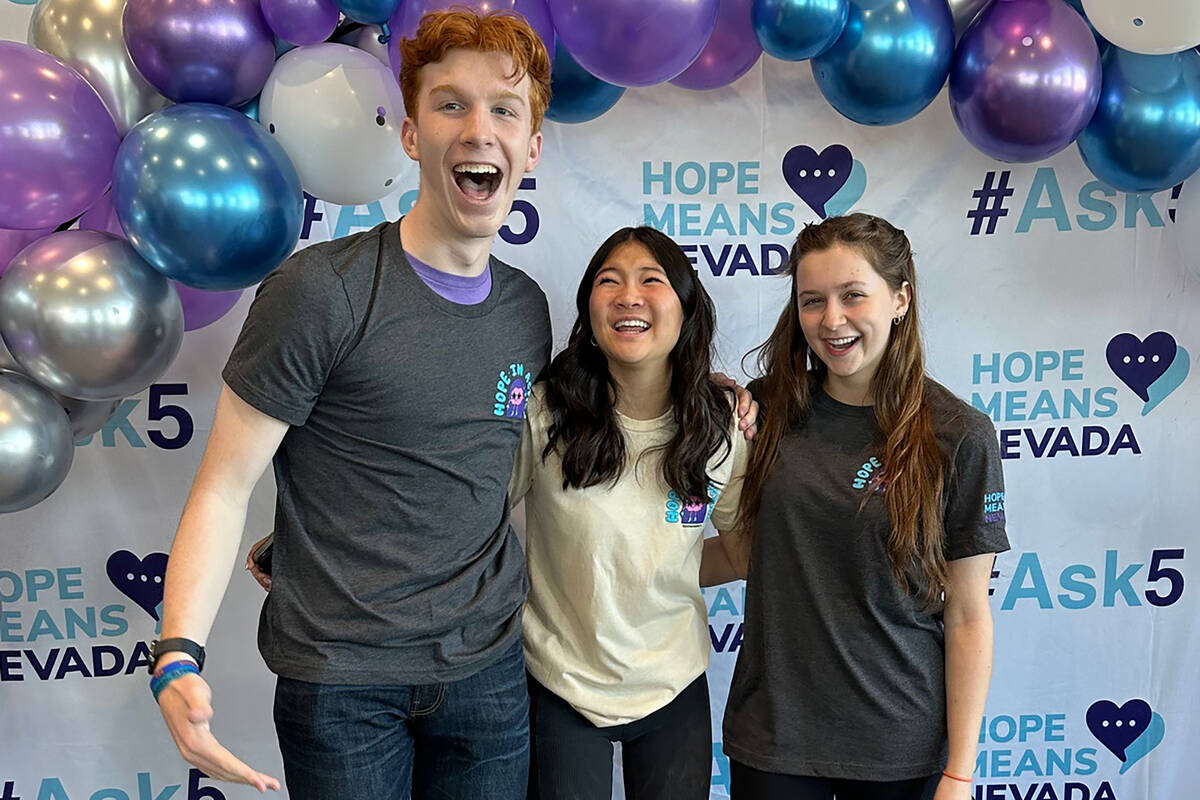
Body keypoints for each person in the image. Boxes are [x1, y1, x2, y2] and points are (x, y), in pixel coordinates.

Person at [151, 11, 555, 798]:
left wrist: (716, 401)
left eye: (504, 110)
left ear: (532, 147)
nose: (479, 129)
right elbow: (223, 485)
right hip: (342, 688)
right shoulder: (319, 292)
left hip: (490, 677)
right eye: (450, 104)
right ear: (410, 135)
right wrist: (176, 654)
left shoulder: (527, 310)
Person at [721, 213, 1009, 800]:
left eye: (853, 295)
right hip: (775, 735)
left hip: (898, 746)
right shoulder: (766, 411)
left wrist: (961, 769)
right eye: (811, 301)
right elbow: (751, 551)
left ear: (900, 299)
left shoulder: (959, 434)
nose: (831, 320)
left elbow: (968, 615)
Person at [508, 226, 749, 800]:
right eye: (608, 281)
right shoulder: (544, 413)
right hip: (559, 681)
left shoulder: (722, 425)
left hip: (674, 686)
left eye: (652, 281)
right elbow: (466, 512)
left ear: (686, 307)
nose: (628, 296)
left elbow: (740, 551)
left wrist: (655, 565)